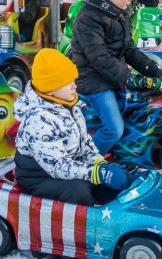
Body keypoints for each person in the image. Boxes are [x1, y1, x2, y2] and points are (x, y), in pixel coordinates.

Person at [71, 0, 162, 155]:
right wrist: (130, 78)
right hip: (93, 82)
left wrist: (156, 71)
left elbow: (128, 49)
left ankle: (125, 156)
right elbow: (99, 58)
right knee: (113, 129)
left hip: (112, 77)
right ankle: (84, 163)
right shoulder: (88, 18)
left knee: (141, 110)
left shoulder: (118, 12)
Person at [14, 48, 133, 206]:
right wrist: (96, 173)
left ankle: (113, 216)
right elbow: (57, 166)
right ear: (49, 90)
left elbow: (85, 142)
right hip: (40, 176)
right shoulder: (38, 121)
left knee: (121, 178)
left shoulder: (69, 105)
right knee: (79, 191)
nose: (74, 86)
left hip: (68, 164)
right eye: (66, 83)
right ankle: (84, 226)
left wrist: (99, 163)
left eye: (73, 80)